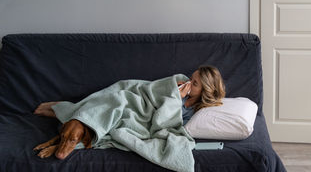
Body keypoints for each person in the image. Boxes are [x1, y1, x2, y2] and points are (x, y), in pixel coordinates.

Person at [34, 65, 226, 126]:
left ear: (205, 91)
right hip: (138, 93)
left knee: (116, 107)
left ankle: (64, 110)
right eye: (191, 78)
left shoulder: (194, 112)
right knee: (116, 97)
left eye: (194, 84)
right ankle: (69, 108)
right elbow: (154, 89)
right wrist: (172, 90)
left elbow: (164, 121)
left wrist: (175, 99)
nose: (188, 83)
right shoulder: (180, 82)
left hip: (143, 114)